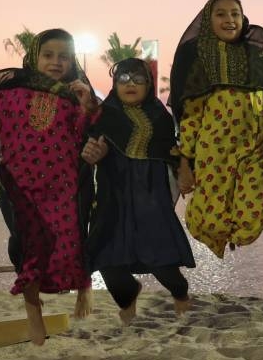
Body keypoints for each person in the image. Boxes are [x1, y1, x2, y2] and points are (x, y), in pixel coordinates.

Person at [0, 28, 98, 345]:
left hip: (62, 186)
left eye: (63, 57)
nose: (55, 62)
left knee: (72, 239)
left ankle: (84, 289)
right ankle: (34, 318)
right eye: (48, 55)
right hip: (22, 187)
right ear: (34, 57)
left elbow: (87, 133)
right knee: (29, 250)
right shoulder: (13, 90)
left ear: (72, 61)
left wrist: (87, 107)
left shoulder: (72, 98)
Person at [81, 58, 195, 325]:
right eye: (123, 79)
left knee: (161, 262)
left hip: (150, 201)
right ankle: (128, 297)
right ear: (114, 84)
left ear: (149, 84)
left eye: (138, 79)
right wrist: (94, 154)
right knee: (108, 261)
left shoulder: (160, 117)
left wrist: (184, 170)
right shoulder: (103, 115)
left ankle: (180, 293)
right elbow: (90, 145)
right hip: (113, 201)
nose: (130, 83)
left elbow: (173, 151)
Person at [169, 0, 263, 259]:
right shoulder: (199, 59)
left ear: (243, 18)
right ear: (209, 20)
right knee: (209, 223)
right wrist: (185, 162)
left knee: (250, 222)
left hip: (255, 147)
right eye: (221, 14)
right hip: (212, 151)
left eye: (235, 14)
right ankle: (219, 240)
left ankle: (234, 238)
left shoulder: (260, 56)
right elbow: (191, 115)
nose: (229, 19)